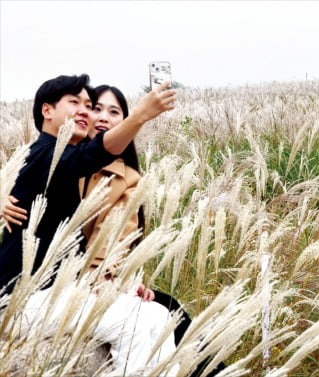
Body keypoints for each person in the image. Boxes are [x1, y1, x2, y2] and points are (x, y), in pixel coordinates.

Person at [2, 85, 225, 376]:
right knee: (144, 320)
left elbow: (114, 241)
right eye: (95, 108)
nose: (101, 116)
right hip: (34, 286)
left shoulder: (122, 178)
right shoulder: (56, 156)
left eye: (114, 111)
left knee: (165, 312)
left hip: (85, 278)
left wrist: (115, 281)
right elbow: (25, 181)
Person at [0, 74, 175, 293]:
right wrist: (140, 116)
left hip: (69, 284)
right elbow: (89, 156)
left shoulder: (118, 176)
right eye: (75, 102)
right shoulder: (50, 155)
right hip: (27, 292)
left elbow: (106, 247)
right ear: (47, 111)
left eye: (88, 106)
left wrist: (120, 284)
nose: (89, 112)